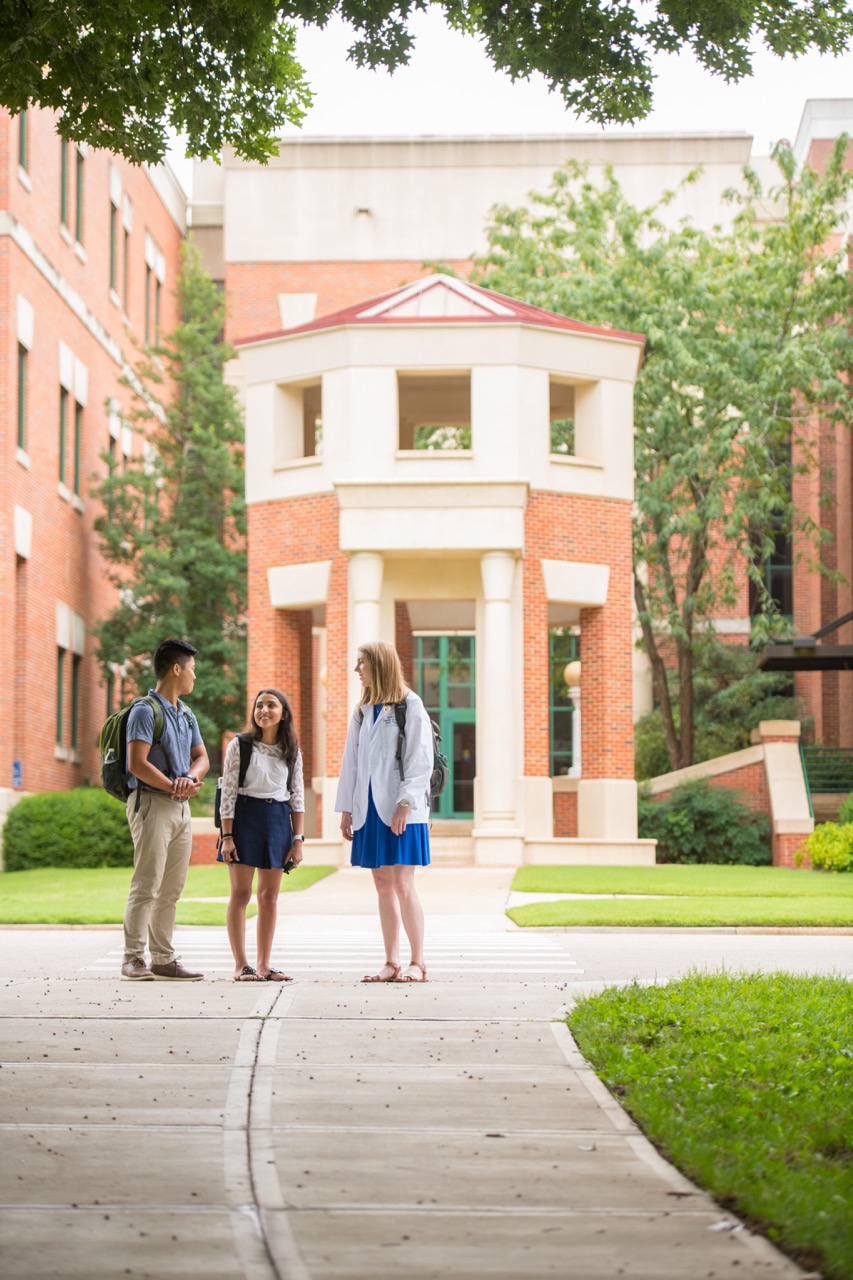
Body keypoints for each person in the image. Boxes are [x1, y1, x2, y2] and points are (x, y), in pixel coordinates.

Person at [336, 641, 432, 983]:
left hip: (401, 808)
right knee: (381, 884)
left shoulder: (410, 704)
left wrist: (405, 803)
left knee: (404, 884)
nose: (356, 669)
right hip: (368, 809)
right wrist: (346, 808)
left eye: (361, 662)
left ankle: (417, 962)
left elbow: (420, 760)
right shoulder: (363, 710)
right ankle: (391, 963)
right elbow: (352, 763)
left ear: (379, 665)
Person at [121, 638, 209, 981]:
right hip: (152, 805)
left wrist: (188, 778)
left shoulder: (186, 714)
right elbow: (136, 763)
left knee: (171, 888)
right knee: (147, 884)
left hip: (180, 807)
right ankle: (132, 957)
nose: (194, 677)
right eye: (192, 670)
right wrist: (173, 784)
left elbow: (202, 757)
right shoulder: (145, 710)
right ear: (176, 669)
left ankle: (162, 957)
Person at [218, 688, 305, 982]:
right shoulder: (240, 746)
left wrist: (298, 840)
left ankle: (265, 965)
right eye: (259, 706)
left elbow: (297, 798)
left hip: (278, 820)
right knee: (241, 894)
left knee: (269, 897)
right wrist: (227, 836)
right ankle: (241, 965)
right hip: (244, 817)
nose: (264, 710)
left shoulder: (291, 750)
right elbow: (228, 793)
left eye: (271, 705)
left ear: (283, 712)